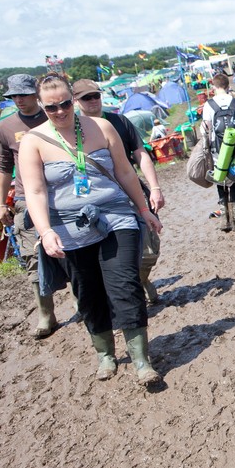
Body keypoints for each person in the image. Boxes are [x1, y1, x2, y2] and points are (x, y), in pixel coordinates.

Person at [18, 72, 163, 385]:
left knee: (124, 284)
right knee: (88, 293)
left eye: (65, 104)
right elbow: (36, 191)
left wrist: (143, 209)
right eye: (51, 107)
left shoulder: (101, 127)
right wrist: (45, 231)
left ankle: (141, 361)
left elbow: (125, 171)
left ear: (73, 99)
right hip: (69, 228)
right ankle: (105, 354)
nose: (60, 112)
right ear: (41, 107)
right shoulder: (33, 142)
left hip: (115, 217)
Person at [73, 79, 165, 304]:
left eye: (96, 95)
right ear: (75, 100)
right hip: (92, 199)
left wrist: (154, 187)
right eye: (86, 97)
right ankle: (119, 297)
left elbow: (140, 154)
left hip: (130, 192)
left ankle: (140, 279)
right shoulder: (70, 129)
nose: (93, 101)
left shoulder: (119, 121)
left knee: (150, 247)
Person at [0, 74, 61, 338]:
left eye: (23, 94)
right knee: (32, 258)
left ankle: (84, 304)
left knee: (75, 252)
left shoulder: (55, 115)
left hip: (62, 193)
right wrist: (1, 202)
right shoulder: (5, 126)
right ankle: (46, 313)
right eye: (14, 96)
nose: (19, 100)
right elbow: (3, 167)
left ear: (36, 93)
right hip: (26, 198)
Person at [202, 73, 235, 232]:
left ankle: (224, 220)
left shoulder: (209, 104)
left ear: (214, 87)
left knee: (220, 180)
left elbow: (206, 128)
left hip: (218, 149)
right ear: (228, 86)